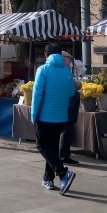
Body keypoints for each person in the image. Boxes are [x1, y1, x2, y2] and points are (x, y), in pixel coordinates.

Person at [31, 44, 76, 195]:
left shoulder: (43, 70)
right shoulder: (67, 71)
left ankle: (63, 173)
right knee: (52, 148)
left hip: (45, 116)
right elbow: (71, 93)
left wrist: (33, 115)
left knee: (42, 146)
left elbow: (37, 94)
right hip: (61, 117)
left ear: (46, 54)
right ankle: (48, 179)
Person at [58, 51, 81, 166]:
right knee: (66, 131)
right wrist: (78, 85)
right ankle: (63, 156)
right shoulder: (64, 71)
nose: (71, 61)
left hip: (67, 105)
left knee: (67, 131)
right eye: (69, 59)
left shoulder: (65, 70)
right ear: (63, 59)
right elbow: (70, 87)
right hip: (68, 105)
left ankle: (65, 154)